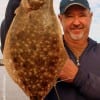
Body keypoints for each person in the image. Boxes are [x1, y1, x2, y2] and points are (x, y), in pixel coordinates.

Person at [1, 0, 100, 100]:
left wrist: (77, 77)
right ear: (60, 19)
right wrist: (13, 6)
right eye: (69, 16)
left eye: (82, 15)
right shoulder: (43, 48)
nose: (76, 22)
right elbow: (10, 45)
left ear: (90, 17)